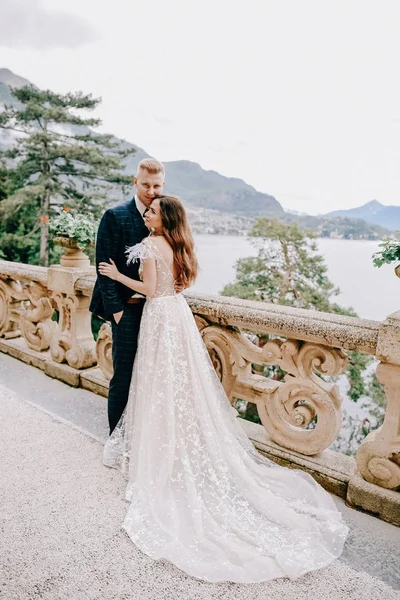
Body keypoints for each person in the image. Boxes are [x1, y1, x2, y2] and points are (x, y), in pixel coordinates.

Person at [98, 195, 349, 584]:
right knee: (179, 386)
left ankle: (161, 452)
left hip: (160, 318)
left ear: (163, 219)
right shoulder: (180, 246)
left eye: (151, 211)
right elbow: (172, 286)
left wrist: (116, 276)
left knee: (158, 384)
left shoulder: (150, 245)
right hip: (177, 315)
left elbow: (148, 289)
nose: (145, 213)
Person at [90, 158, 166, 434]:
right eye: (145, 184)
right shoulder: (115, 216)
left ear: (163, 184)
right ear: (135, 182)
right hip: (128, 308)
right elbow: (103, 267)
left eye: (156, 185)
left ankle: (143, 437)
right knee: (123, 375)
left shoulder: (167, 215)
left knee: (151, 376)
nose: (151, 191)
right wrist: (117, 312)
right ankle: (116, 438)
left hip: (158, 311)